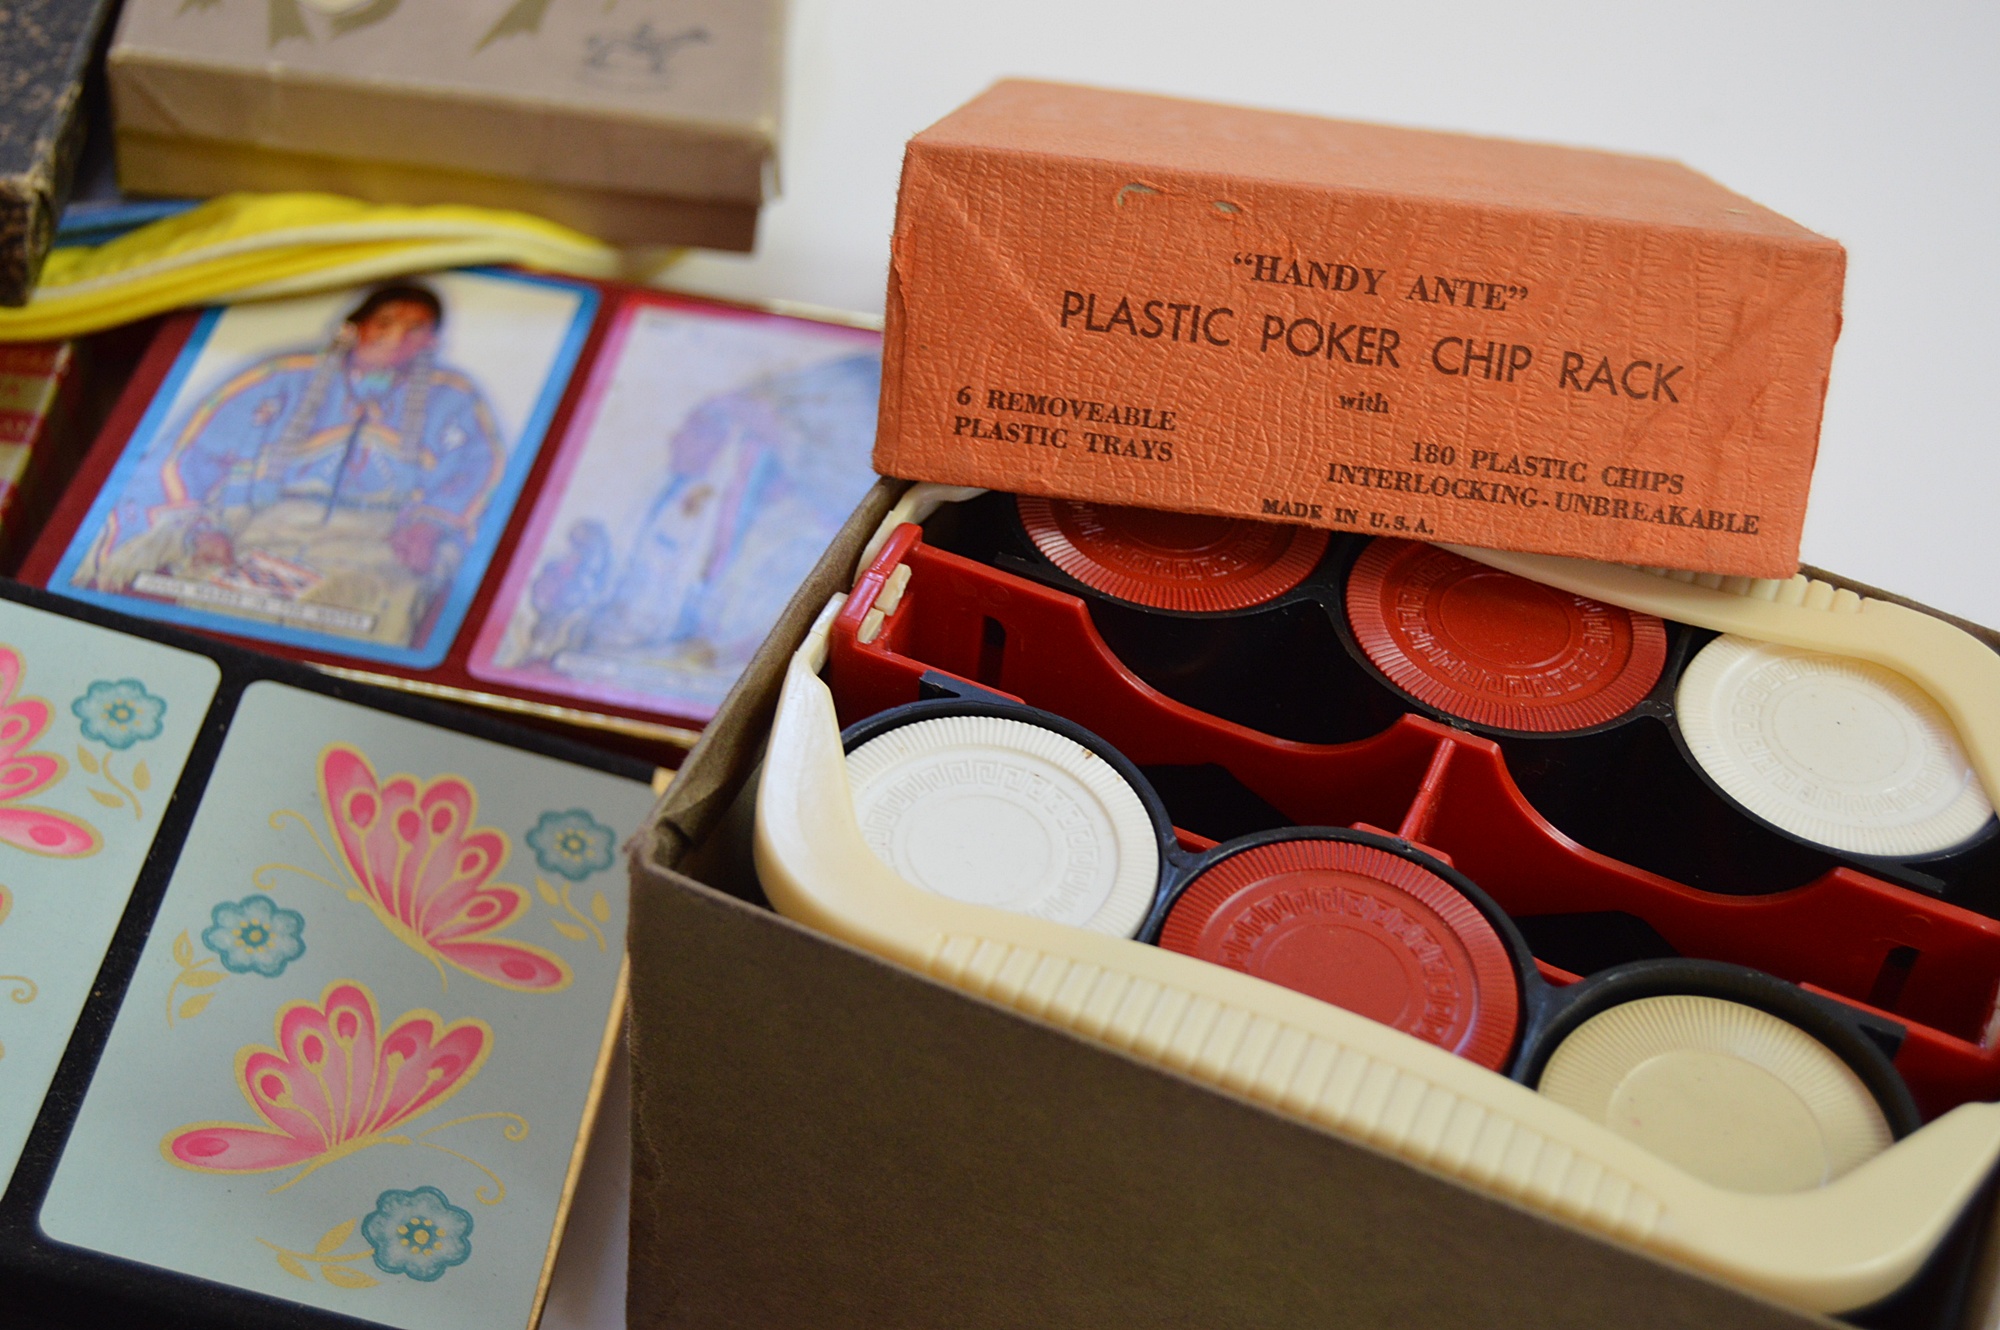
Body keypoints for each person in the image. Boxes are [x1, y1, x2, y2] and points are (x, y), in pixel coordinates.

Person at [80, 284, 504, 649]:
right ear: (354, 328)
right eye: (385, 323)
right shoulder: (283, 376)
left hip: (376, 540)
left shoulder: (453, 398)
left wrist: (430, 524)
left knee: (371, 603)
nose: (397, 338)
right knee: (225, 596)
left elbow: (481, 468)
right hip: (270, 525)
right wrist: (203, 528)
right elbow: (189, 452)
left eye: (415, 330)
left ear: (431, 343)